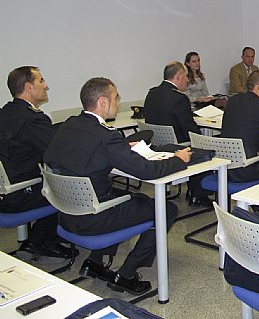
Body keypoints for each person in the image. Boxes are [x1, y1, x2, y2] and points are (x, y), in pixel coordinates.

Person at [44, 78, 191, 295]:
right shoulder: (106, 137)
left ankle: (94, 262)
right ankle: (127, 274)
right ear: (103, 102)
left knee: (136, 199)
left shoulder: (69, 125)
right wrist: (178, 159)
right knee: (166, 209)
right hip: (94, 218)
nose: (118, 101)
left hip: (67, 214)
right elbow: (148, 172)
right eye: (116, 97)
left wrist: (122, 148)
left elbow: (87, 151)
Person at [0, 66, 76, 261]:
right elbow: (57, 153)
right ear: (28, 87)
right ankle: (42, 242)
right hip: (22, 193)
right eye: (41, 81)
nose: (46, 86)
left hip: (7, 190)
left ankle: (36, 239)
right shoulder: (32, 120)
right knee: (69, 189)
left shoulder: (7, 112)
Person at [144, 62, 210, 207]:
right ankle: (196, 194)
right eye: (186, 76)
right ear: (178, 76)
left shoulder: (151, 93)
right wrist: (204, 139)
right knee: (203, 148)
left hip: (156, 144)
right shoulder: (179, 98)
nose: (187, 80)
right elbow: (189, 128)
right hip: (177, 145)